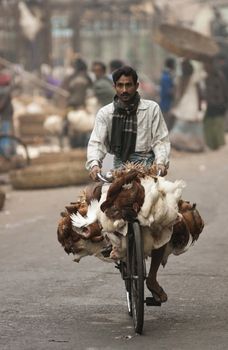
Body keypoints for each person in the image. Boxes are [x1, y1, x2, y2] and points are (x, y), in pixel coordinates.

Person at [86, 66, 170, 302]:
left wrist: (161, 163)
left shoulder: (151, 109)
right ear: (115, 87)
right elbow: (96, 142)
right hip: (120, 167)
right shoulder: (105, 114)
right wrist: (94, 164)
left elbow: (161, 140)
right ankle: (115, 247)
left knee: (165, 216)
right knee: (105, 212)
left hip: (147, 166)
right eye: (120, 86)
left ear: (136, 85)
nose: (124, 90)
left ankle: (152, 276)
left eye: (128, 85)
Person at [169, 59, 205, 152]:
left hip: (187, 105)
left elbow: (198, 92)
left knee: (186, 126)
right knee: (189, 127)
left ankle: (191, 146)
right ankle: (193, 146)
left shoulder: (186, 78)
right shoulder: (184, 79)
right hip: (187, 106)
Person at [203, 59, 228, 150]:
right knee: (208, 123)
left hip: (219, 104)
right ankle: (211, 144)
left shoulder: (219, 76)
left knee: (217, 124)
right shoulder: (207, 78)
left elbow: (224, 89)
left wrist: (225, 103)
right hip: (211, 104)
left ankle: (218, 145)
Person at [0, 64, 14, 156]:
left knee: (5, 134)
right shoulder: (5, 90)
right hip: (6, 115)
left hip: (6, 115)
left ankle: (6, 154)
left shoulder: (5, 91)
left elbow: (1, 105)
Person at [159, 57, 176, 130]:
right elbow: (168, 91)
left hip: (166, 103)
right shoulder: (166, 77)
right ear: (172, 65)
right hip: (166, 104)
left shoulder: (167, 76)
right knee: (166, 124)